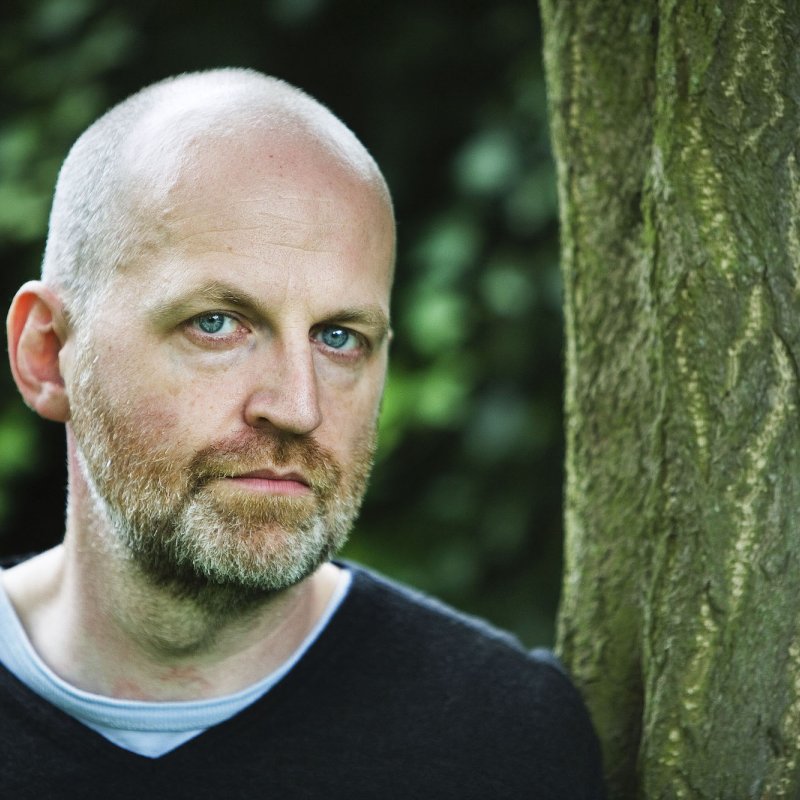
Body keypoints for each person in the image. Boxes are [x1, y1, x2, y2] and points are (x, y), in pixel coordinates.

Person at [0, 69, 604, 798]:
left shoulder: (502, 739)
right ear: (48, 356)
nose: (297, 408)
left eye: (340, 338)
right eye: (216, 324)